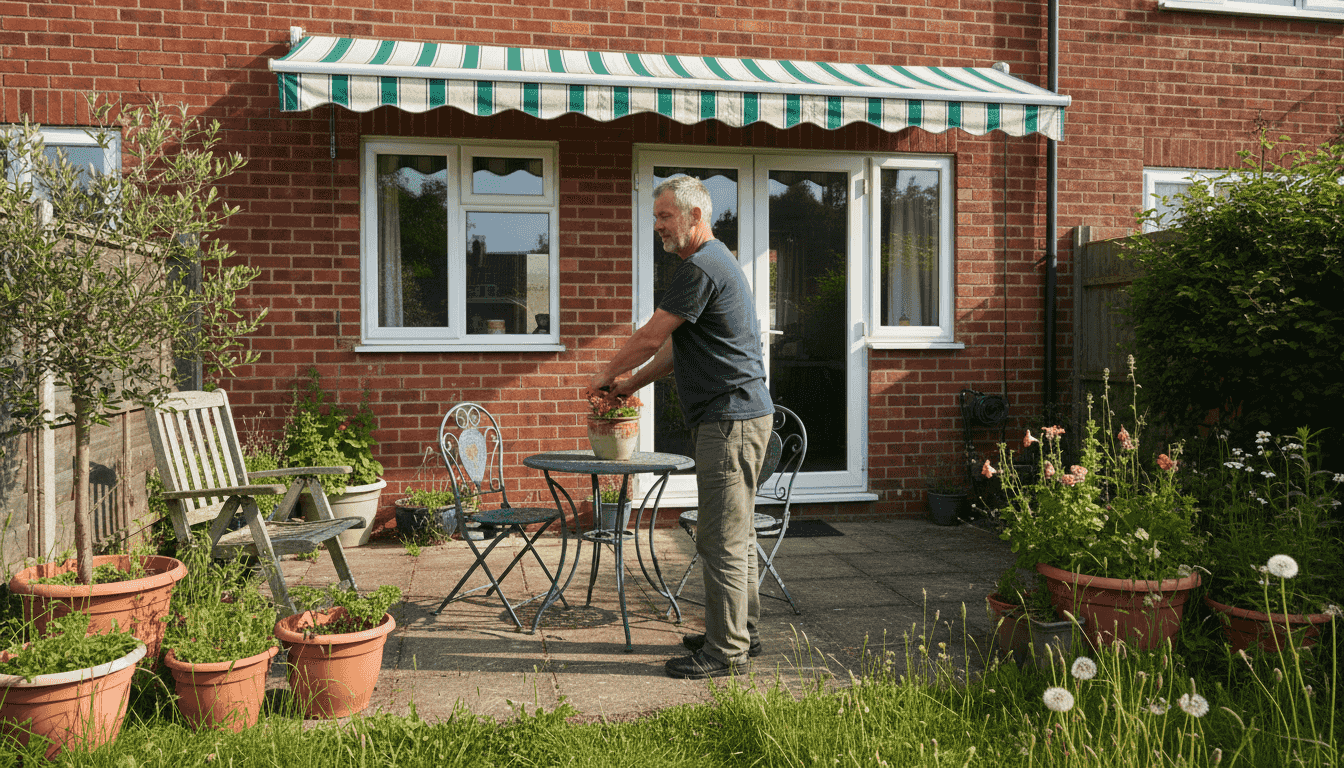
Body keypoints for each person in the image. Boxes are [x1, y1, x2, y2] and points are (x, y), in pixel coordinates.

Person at [586, 175, 774, 679]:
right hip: (739, 416)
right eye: (657, 216)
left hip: (730, 420)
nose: (658, 225)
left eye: (666, 216)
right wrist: (630, 386)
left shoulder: (702, 266)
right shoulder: (716, 263)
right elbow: (673, 349)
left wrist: (605, 374)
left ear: (695, 216)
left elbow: (650, 336)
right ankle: (738, 632)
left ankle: (725, 651)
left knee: (721, 537)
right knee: (733, 531)